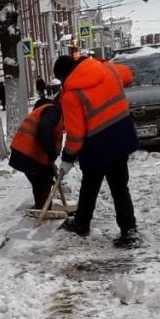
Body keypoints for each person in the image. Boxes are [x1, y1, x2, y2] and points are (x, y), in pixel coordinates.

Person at [54, 54, 140, 248]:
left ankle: (82, 223)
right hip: (121, 134)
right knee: (119, 186)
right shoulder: (107, 69)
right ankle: (129, 230)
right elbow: (127, 75)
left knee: (90, 184)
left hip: (96, 144)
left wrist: (68, 158)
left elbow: (76, 134)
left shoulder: (71, 94)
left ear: (63, 76)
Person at [9, 85, 64, 209]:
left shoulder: (50, 110)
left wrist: (51, 157)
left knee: (41, 181)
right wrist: (51, 153)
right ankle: (44, 209)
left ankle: (42, 207)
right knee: (43, 180)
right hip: (27, 154)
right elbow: (45, 129)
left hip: (23, 152)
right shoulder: (53, 110)